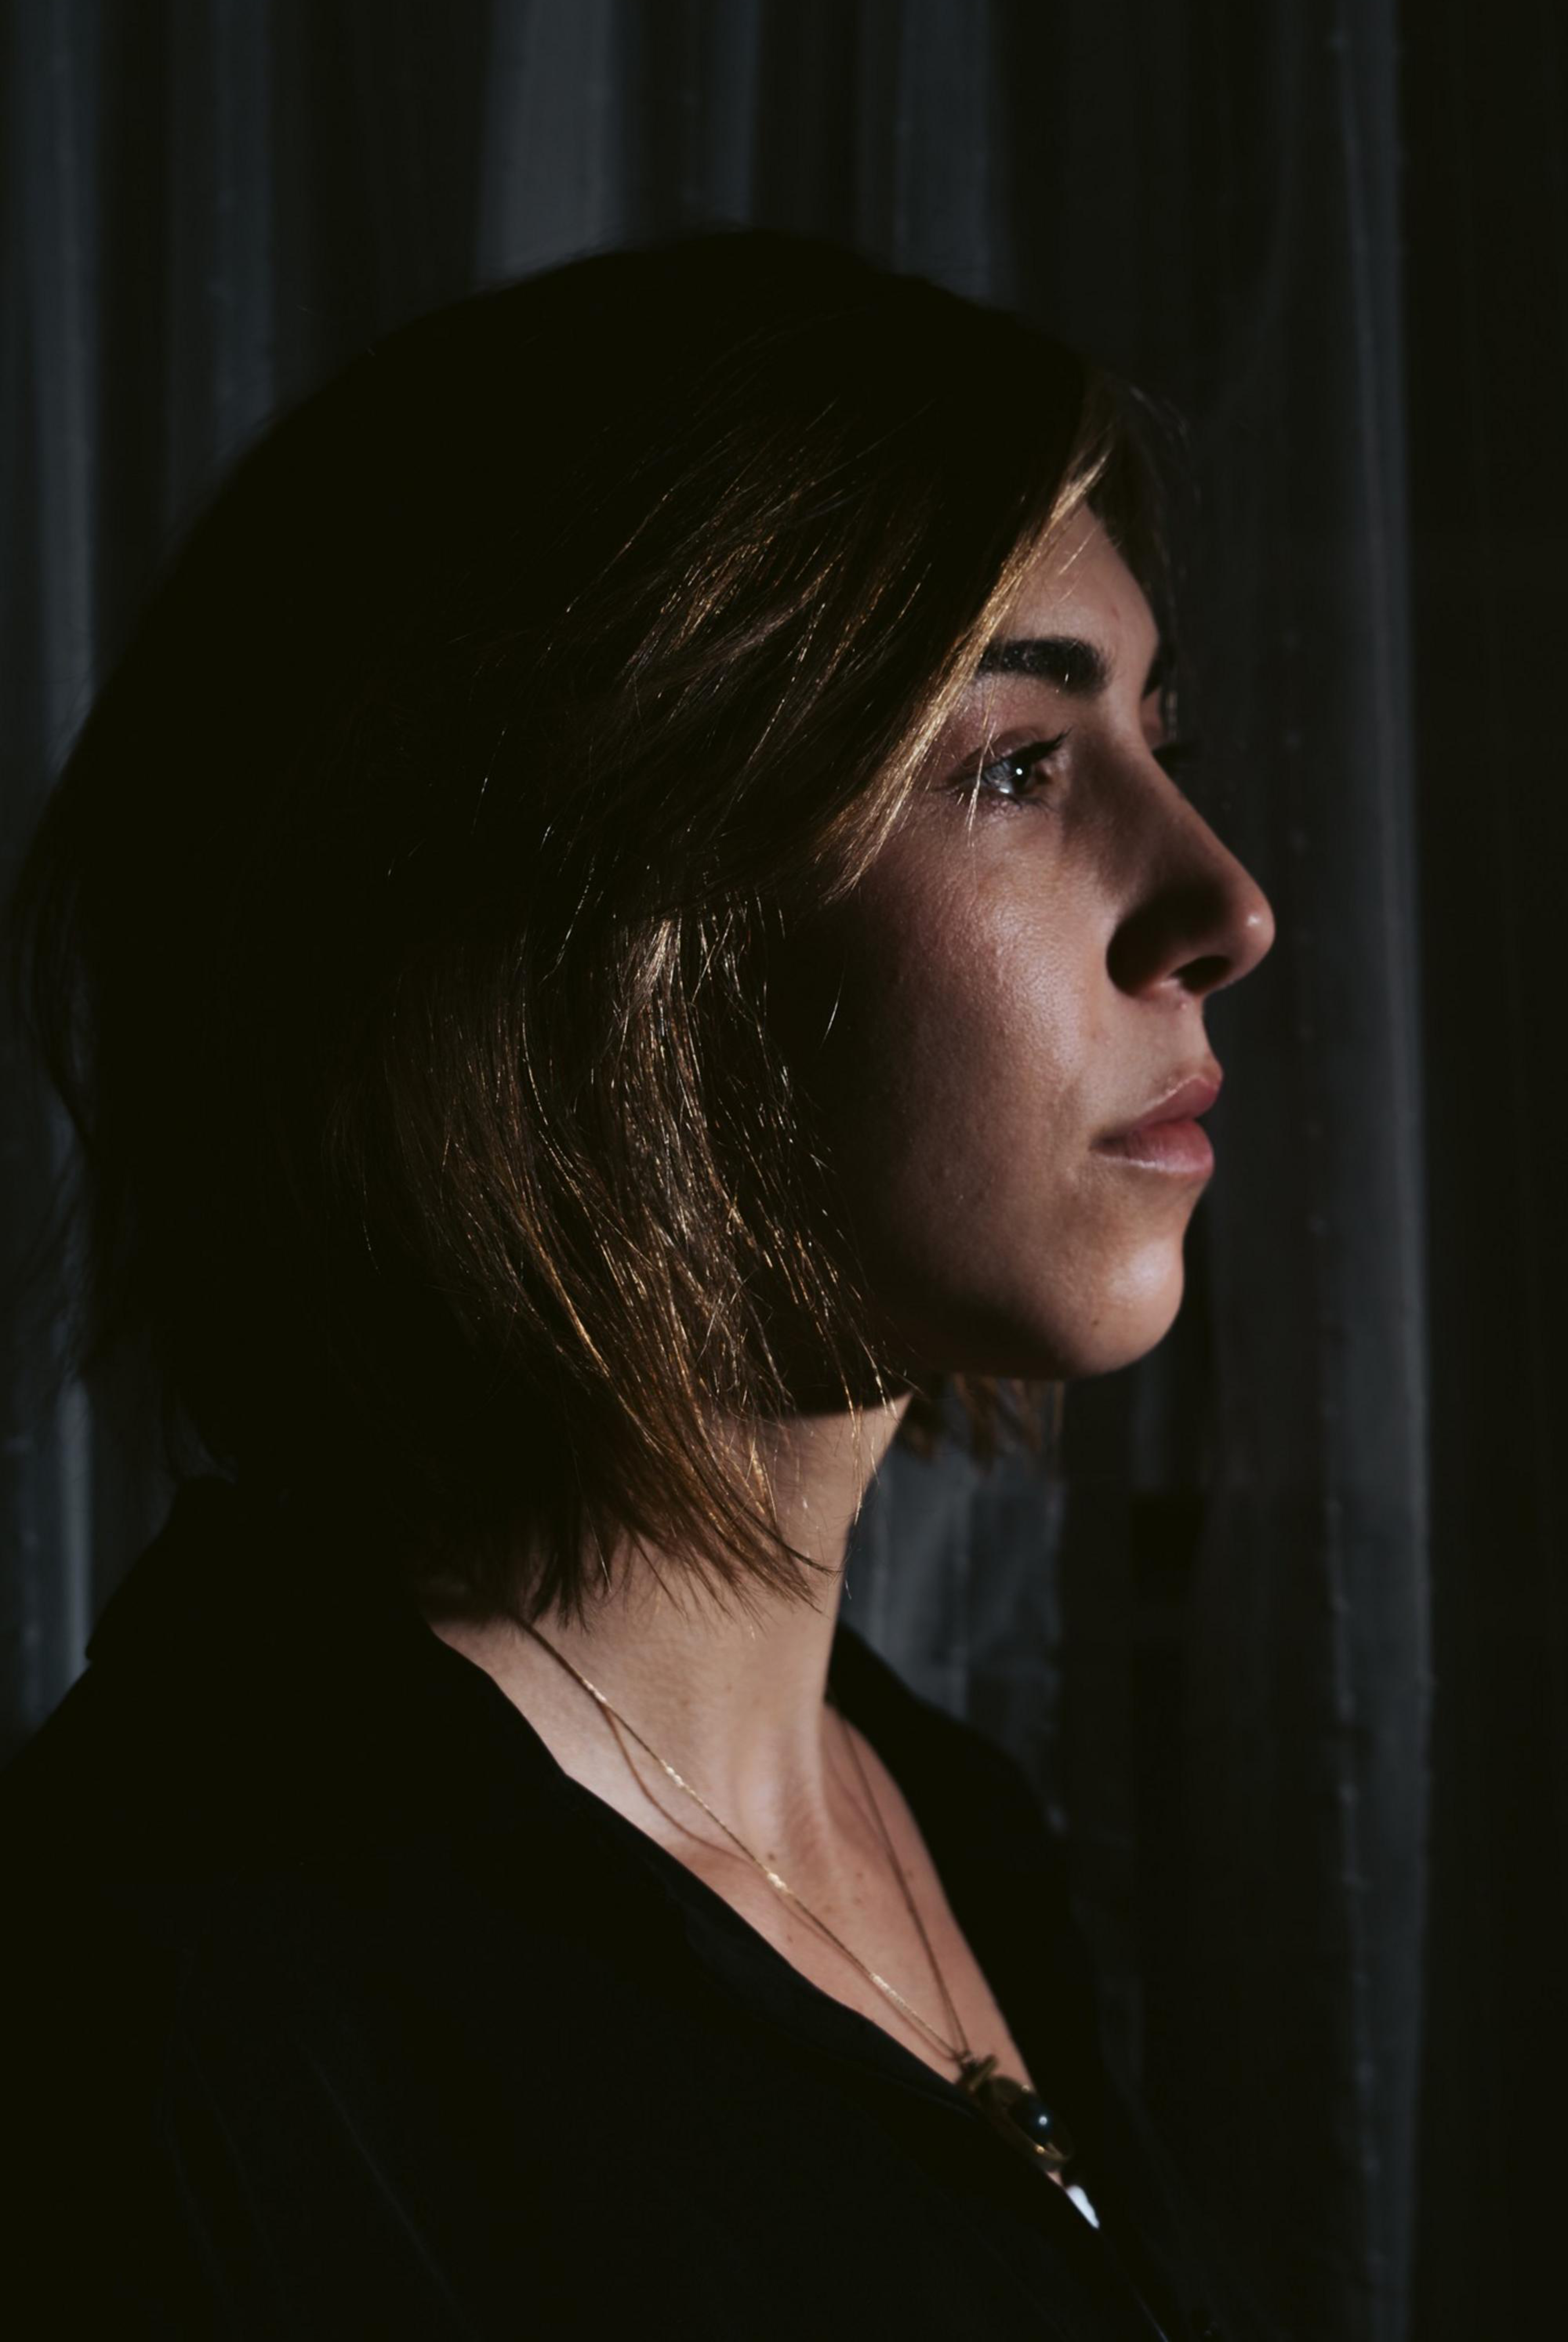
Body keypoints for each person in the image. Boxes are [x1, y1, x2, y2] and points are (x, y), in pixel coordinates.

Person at [1, 229, 1276, 2338]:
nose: (1221, 903)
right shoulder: (184, 2003)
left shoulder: (944, 1815)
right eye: (1016, 767)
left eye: (1164, 735)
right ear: (611, 928)